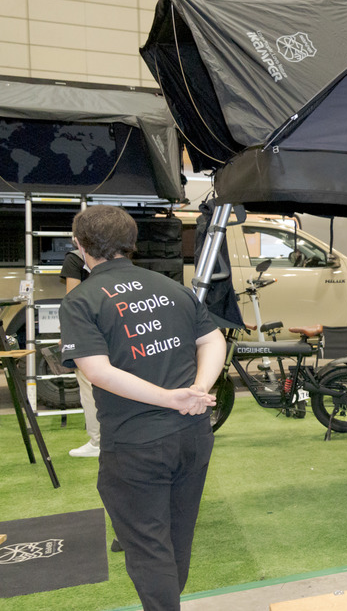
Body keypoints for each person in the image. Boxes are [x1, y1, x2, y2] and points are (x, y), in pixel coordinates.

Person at [59, 205, 226, 611]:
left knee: (149, 547)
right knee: (176, 536)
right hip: (192, 435)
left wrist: (177, 395)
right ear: (130, 243)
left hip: (136, 446)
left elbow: (97, 372)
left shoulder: (80, 300)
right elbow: (213, 339)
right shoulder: (173, 287)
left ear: (81, 246)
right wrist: (197, 390)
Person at [60, 248, 99, 458]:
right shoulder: (115, 253)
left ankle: (97, 441)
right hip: (115, 321)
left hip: (88, 328)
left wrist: (66, 333)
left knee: (88, 382)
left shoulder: (75, 258)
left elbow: (72, 298)